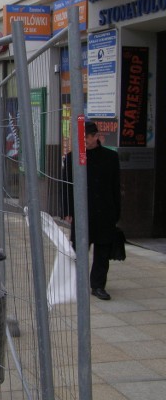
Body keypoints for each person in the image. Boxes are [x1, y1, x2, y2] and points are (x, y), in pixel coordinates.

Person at [62, 121, 121, 301]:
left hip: (105, 212)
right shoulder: (73, 157)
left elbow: (115, 187)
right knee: (78, 250)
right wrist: (67, 210)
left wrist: (117, 212)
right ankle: (76, 283)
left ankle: (98, 285)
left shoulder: (111, 157)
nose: (84, 141)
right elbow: (66, 187)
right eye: (81, 138)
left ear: (96, 136)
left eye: (87, 137)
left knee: (102, 251)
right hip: (82, 212)